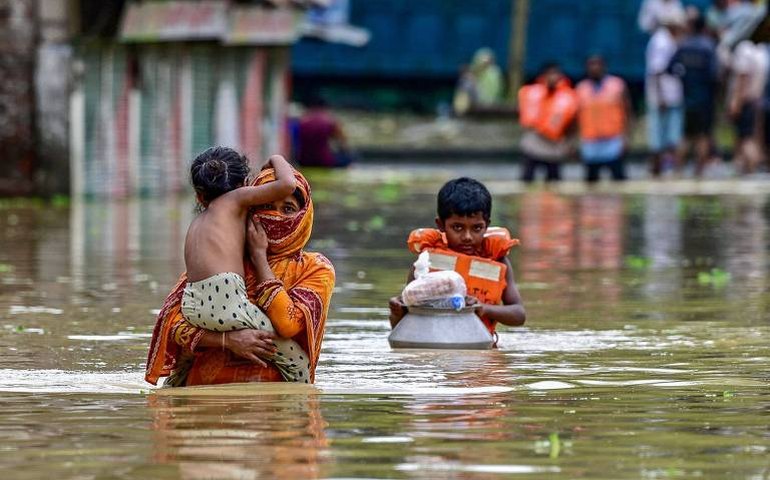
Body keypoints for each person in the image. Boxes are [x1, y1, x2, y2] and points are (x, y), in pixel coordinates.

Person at [145, 165, 335, 387]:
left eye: (288, 209)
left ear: (303, 216)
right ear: (250, 209)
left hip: (275, 404)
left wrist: (259, 259)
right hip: (204, 398)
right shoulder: (222, 260)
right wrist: (226, 341)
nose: (276, 216)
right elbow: (173, 324)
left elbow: (288, 325)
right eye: (266, 206)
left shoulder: (315, 268)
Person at [388, 178, 526, 346]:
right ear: (441, 225)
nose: (467, 237)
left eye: (476, 228)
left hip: (480, 351)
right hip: (433, 354)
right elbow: (403, 328)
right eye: (458, 228)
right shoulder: (426, 263)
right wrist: (396, 312)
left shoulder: (498, 261)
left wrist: (483, 308)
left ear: (487, 225)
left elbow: (519, 314)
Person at [669, 13, 720, 176]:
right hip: (705, 99)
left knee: (685, 136)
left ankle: (678, 170)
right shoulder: (708, 46)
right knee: (703, 136)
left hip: (688, 98)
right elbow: (714, 74)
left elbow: (670, 68)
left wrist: (684, 77)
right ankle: (699, 171)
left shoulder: (683, 46)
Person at [518, 63, 579, 182]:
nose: (553, 77)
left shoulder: (568, 97)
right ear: (543, 76)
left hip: (554, 145)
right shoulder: (531, 93)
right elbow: (525, 115)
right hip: (534, 141)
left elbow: (573, 122)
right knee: (527, 179)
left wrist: (570, 143)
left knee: (554, 181)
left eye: (556, 74)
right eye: (550, 74)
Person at [575, 55, 632, 182]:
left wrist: (627, 136)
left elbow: (627, 112)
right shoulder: (581, 89)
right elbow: (576, 117)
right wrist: (575, 141)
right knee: (591, 182)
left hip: (612, 141)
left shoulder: (617, 85)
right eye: (591, 65)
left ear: (604, 66)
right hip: (590, 143)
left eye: (598, 64)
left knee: (619, 180)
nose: (595, 68)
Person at [645, 11, 686, 176]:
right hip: (663, 97)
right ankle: (658, 170)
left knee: (672, 137)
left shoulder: (671, 40)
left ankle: (670, 170)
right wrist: (660, 97)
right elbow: (656, 72)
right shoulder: (661, 42)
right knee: (658, 138)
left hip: (672, 96)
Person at [727, 39, 769, 174]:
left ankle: (752, 170)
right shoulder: (761, 51)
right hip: (755, 100)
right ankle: (747, 170)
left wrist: (735, 102)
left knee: (746, 139)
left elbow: (742, 78)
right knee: (748, 137)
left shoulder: (745, 48)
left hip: (745, 100)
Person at [297, 96, 351, 168]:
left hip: (304, 160)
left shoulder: (302, 120)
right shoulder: (329, 120)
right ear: (325, 107)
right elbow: (342, 141)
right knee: (348, 158)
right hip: (324, 161)